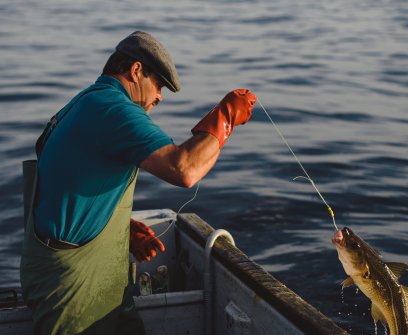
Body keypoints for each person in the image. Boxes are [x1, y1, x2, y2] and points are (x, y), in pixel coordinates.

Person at [20, 31, 256, 334]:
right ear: (135, 71)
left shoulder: (85, 102)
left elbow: (67, 181)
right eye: (159, 85)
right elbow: (184, 169)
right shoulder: (112, 108)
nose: (159, 96)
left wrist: (123, 230)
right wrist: (225, 116)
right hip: (74, 284)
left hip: (92, 271)